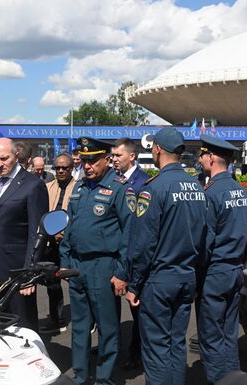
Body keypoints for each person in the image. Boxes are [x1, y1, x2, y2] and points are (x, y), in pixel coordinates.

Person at [126, 127, 207, 385]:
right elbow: (205, 235)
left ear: (158, 149)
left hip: (159, 280)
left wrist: (134, 284)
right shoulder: (196, 186)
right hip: (187, 277)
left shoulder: (154, 188)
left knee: (156, 350)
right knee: (176, 344)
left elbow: (143, 244)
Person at [60, 137, 135, 385]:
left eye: (93, 160)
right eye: (84, 160)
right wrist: (65, 261)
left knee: (108, 327)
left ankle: (104, 378)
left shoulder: (120, 188)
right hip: (77, 267)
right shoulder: (80, 188)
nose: (88, 166)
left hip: (103, 266)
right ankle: (81, 375)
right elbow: (69, 228)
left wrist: (123, 273)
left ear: (106, 160)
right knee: (80, 327)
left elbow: (129, 235)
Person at [0, 138, 48, 331]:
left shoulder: (33, 185)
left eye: (4, 159)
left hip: (16, 274)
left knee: (22, 329)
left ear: (16, 155)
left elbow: (37, 234)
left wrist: (29, 274)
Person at [196, 134, 247, 384]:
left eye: (201, 155)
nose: (199, 160)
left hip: (214, 273)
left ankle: (218, 380)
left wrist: (197, 278)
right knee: (229, 335)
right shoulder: (243, 192)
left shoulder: (211, 194)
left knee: (210, 337)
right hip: (235, 270)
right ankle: (233, 379)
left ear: (211, 157)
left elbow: (204, 243)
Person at [110, 137, 149, 370]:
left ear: (132, 156)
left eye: (118, 156)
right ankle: (113, 346)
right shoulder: (113, 180)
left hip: (134, 260)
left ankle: (137, 352)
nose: (114, 160)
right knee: (110, 309)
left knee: (138, 312)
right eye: (112, 156)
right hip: (114, 258)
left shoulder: (143, 182)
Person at [40, 153, 76, 334]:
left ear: (72, 169)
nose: (61, 171)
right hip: (50, 244)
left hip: (71, 245)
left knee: (76, 283)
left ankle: (88, 320)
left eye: (65, 168)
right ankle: (57, 319)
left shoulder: (79, 188)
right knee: (52, 284)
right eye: (58, 168)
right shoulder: (47, 187)